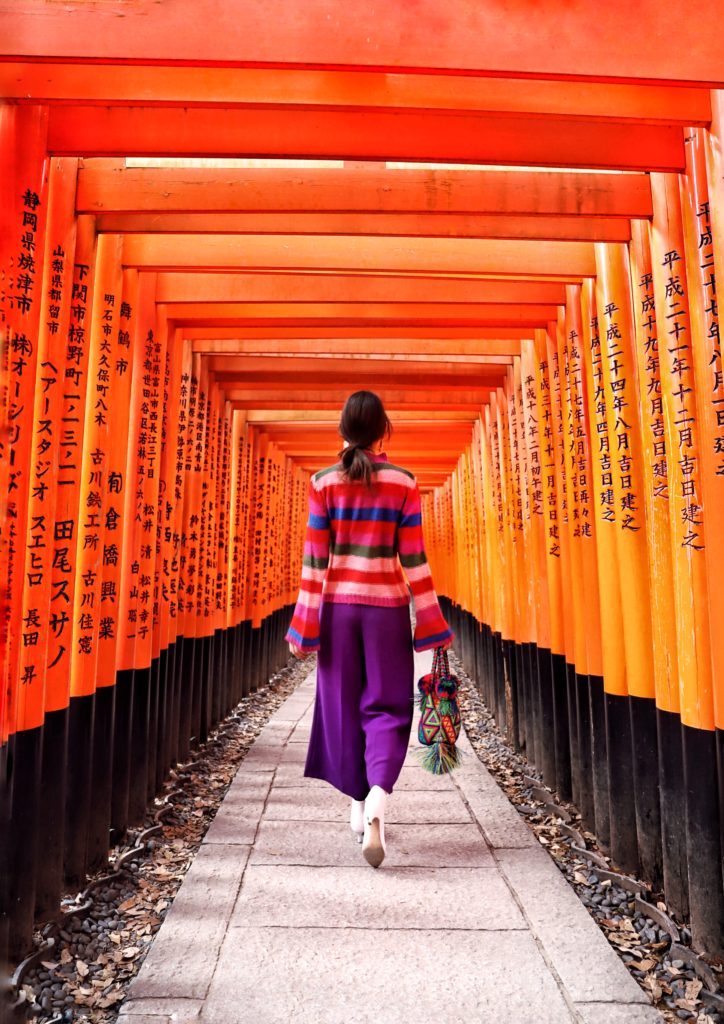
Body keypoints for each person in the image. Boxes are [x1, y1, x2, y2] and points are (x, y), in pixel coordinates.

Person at [285, 390, 454, 868]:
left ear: (343, 429)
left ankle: (357, 806)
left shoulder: (324, 483)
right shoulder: (404, 482)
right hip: (386, 611)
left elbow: (316, 561)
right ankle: (378, 794)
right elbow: (415, 560)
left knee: (341, 703)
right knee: (386, 705)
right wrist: (431, 621)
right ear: (383, 431)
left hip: (338, 609)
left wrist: (302, 626)